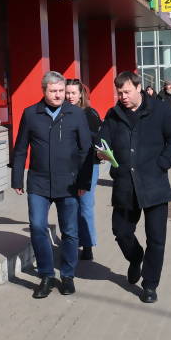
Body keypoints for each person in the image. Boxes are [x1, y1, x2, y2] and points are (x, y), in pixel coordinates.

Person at [97, 71, 171, 304]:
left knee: (156, 239)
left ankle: (149, 285)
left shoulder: (160, 110)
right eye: (119, 93)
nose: (123, 97)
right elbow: (102, 140)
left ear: (139, 88)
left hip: (154, 184)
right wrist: (100, 152)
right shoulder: (113, 114)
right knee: (121, 231)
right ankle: (136, 257)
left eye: (126, 92)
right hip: (125, 185)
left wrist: (162, 164)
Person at [12, 71, 92, 299]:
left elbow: (86, 150)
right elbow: (21, 148)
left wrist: (84, 181)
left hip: (69, 183)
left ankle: (67, 276)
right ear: (44, 91)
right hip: (39, 182)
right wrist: (17, 178)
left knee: (70, 231)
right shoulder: (31, 114)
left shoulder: (76, 114)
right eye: (53, 91)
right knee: (38, 227)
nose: (58, 95)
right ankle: (46, 276)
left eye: (61, 91)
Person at [65, 79, 102, 261]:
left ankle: (87, 245)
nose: (70, 96)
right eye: (67, 93)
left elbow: (98, 140)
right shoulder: (62, 113)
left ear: (81, 94)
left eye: (73, 93)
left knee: (85, 205)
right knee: (71, 205)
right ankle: (73, 241)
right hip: (67, 166)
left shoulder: (89, 114)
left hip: (88, 165)